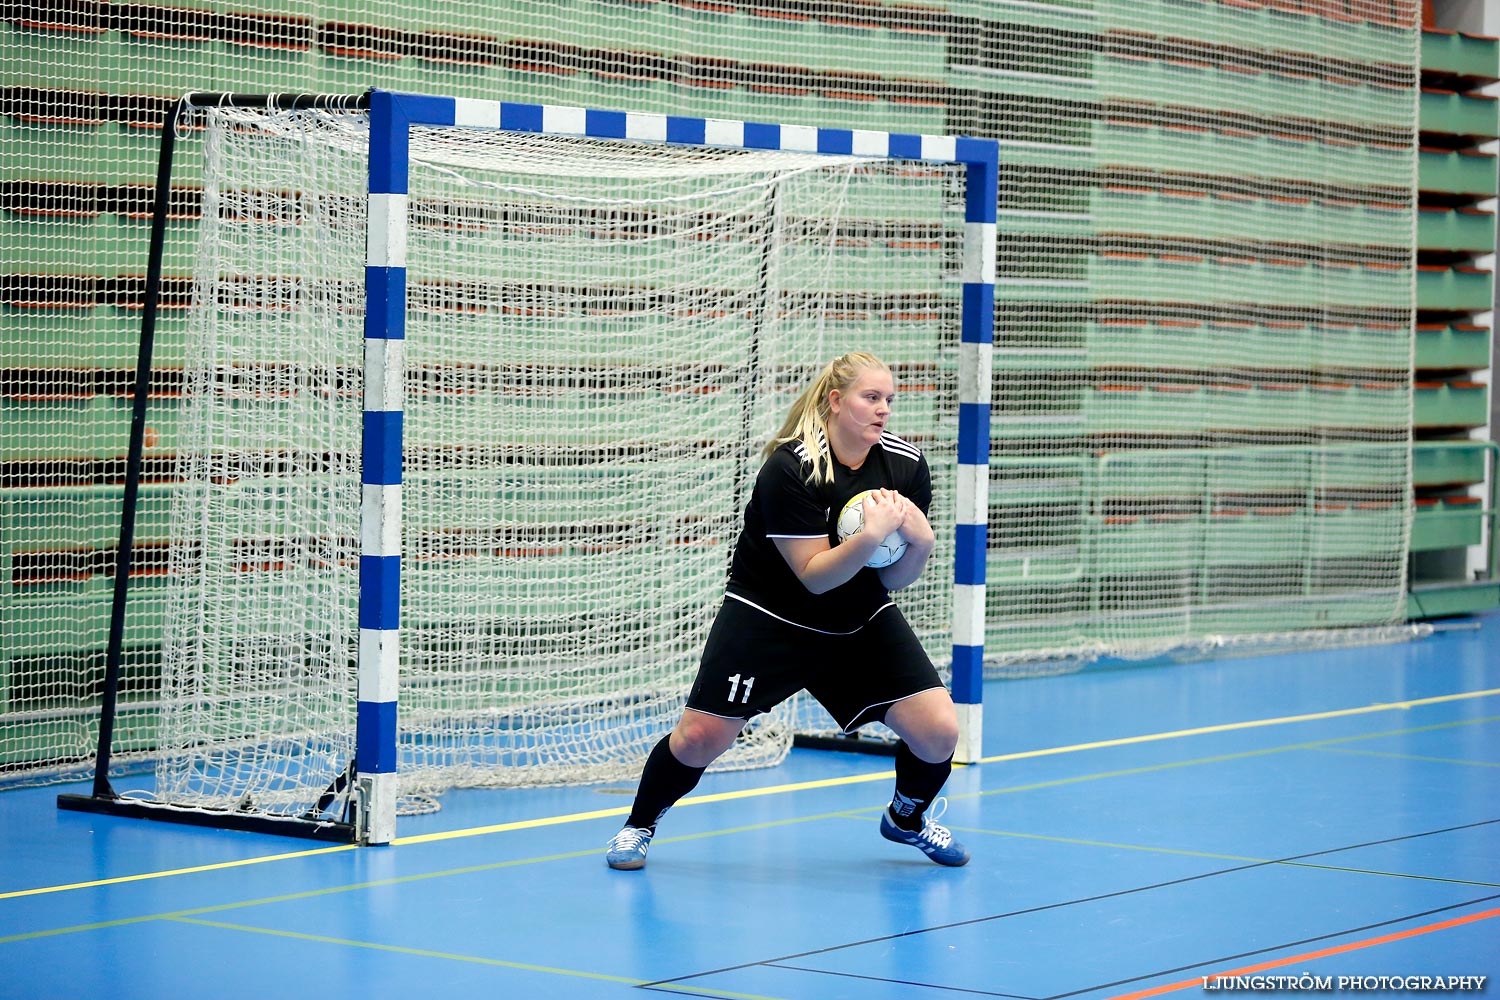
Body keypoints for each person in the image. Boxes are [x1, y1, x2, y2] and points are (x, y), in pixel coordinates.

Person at [604, 351, 969, 870]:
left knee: (939, 731)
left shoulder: (905, 467)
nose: (884, 409)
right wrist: (870, 535)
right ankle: (638, 825)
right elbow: (815, 575)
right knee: (700, 738)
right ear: (835, 401)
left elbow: (892, 579)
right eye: (871, 397)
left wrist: (922, 543)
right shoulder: (791, 467)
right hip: (768, 619)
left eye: (889, 399)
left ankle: (906, 820)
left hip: (857, 619)